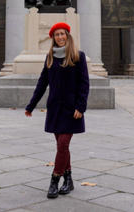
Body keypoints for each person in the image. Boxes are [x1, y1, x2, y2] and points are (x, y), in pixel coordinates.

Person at [25, 22, 90, 199]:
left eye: (63, 34)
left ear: (68, 36)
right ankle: (68, 180)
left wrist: (81, 106)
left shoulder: (78, 56)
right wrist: (31, 105)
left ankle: (54, 180)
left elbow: (84, 84)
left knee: (63, 145)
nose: (60, 37)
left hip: (71, 109)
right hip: (55, 108)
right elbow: (42, 83)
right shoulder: (50, 57)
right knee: (62, 147)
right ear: (53, 38)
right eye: (57, 35)